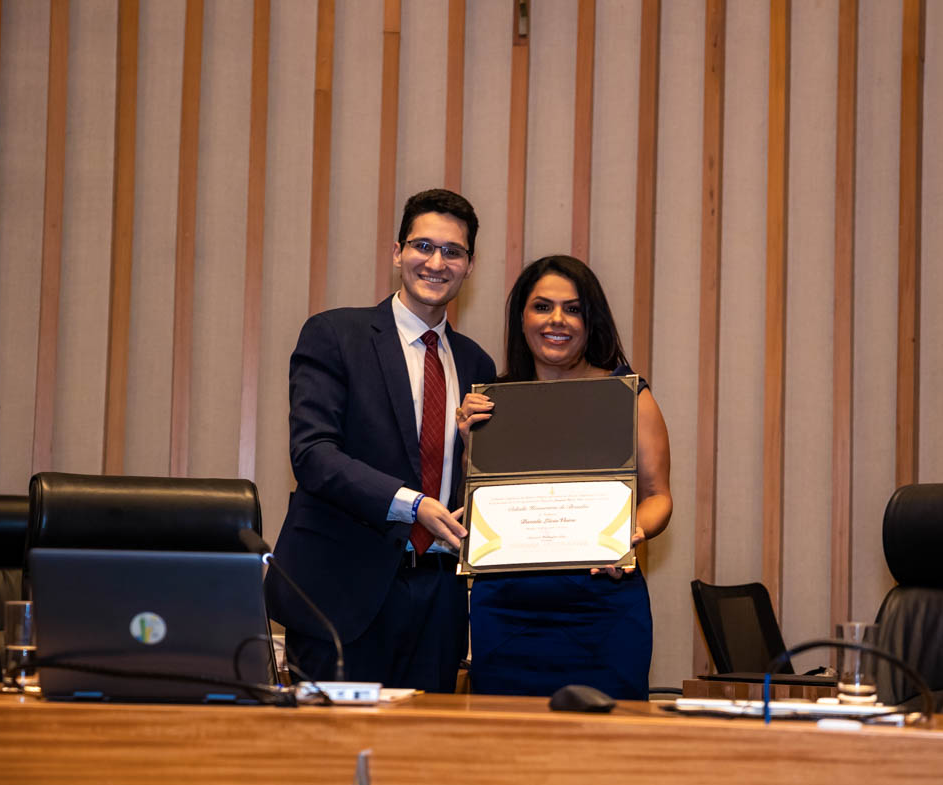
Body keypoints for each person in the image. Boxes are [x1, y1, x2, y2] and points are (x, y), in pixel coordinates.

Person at [265, 189, 496, 692]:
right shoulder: (334, 335)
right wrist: (412, 506)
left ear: (470, 265)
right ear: (397, 253)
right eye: (423, 246)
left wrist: (471, 449)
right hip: (343, 595)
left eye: (452, 252)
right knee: (326, 760)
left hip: (439, 599)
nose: (436, 262)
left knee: (424, 761)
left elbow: (475, 481)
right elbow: (313, 456)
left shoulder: (478, 364)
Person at [458, 254, 673, 700]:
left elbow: (658, 497)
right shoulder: (492, 403)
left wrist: (634, 533)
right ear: (522, 318)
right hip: (506, 611)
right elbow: (481, 503)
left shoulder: (628, 395)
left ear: (590, 321)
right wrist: (468, 442)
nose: (557, 320)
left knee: (605, 754)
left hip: (603, 609)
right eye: (542, 306)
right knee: (509, 751)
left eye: (573, 309)